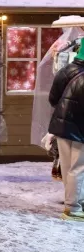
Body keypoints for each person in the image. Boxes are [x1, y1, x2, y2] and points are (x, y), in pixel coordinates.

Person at [48, 41, 84, 221]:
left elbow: (54, 98)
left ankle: (73, 203)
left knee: (69, 167)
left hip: (62, 126)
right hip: (79, 129)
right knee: (78, 169)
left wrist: (65, 111)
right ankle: (73, 208)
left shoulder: (66, 71)